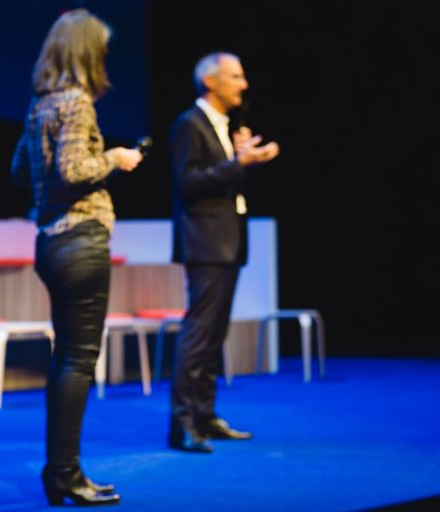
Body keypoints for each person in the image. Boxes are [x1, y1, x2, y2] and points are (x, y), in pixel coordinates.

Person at [10, 8, 142, 507]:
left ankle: (60, 472)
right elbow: (72, 170)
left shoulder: (39, 104)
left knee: (66, 361)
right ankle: (65, 474)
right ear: (87, 51)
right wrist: (117, 159)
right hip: (81, 238)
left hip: (49, 241)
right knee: (78, 362)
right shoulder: (78, 102)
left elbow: (20, 169)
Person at [168, 52, 280, 453]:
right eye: (236, 76)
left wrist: (243, 160)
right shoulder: (189, 124)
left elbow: (218, 179)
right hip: (205, 243)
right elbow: (188, 184)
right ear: (210, 82)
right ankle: (182, 423)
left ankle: (205, 415)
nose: (243, 84)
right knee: (199, 334)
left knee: (214, 337)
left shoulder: (220, 125)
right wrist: (238, 164)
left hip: (227, 241)